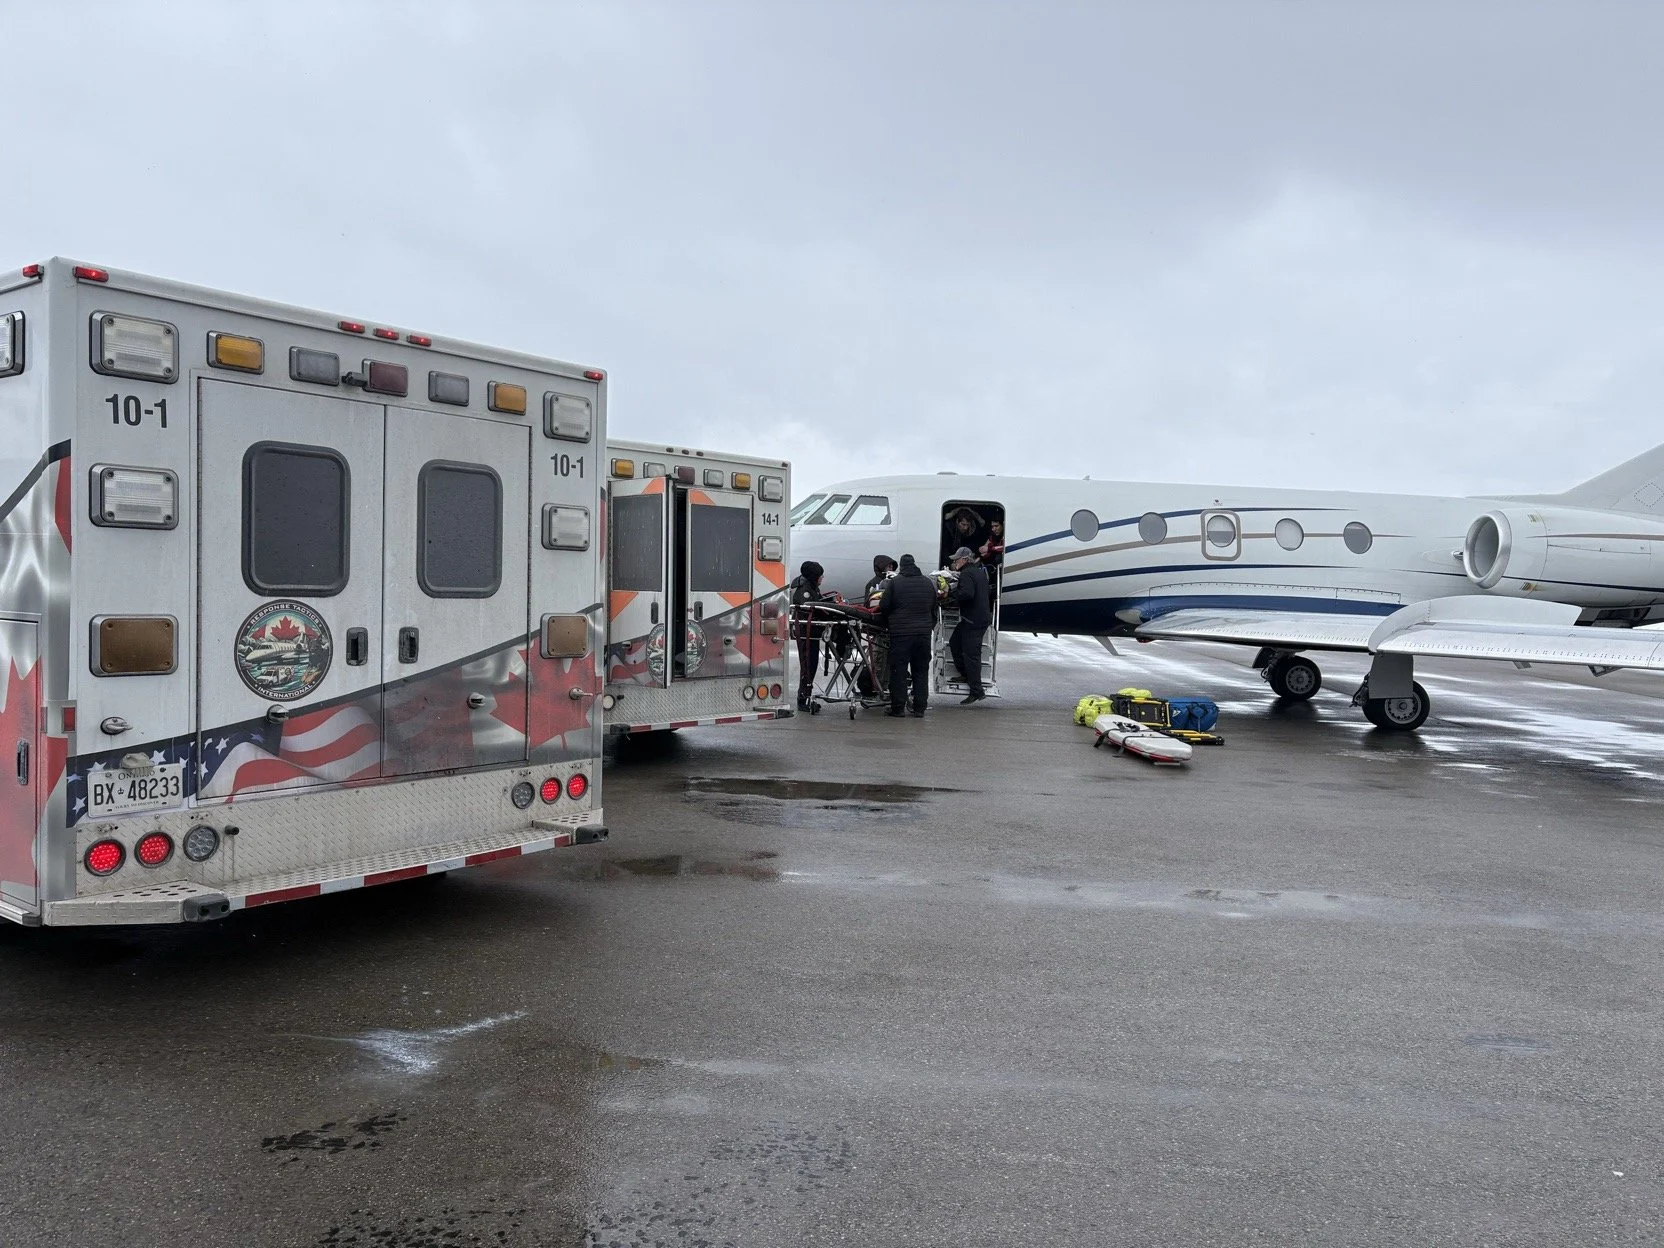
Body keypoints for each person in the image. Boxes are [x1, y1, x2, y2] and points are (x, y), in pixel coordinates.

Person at [877, 553, 938, 717]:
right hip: (923, 635)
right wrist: (928, 627)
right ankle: (919, 709)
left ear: (902, 567)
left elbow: (884, 606)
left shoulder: (895, 583)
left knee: (899, 671)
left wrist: (890, 623)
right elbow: (934, 609)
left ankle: (898, 708)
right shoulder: (928, 583)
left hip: (901, 634)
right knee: (920, 671)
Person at [948, 546, 992, 703]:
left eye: (957, 559)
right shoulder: (979, 572)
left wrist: (951, 597)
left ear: (965, 559)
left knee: (971, 655)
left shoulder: (966, 573)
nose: (955, 562)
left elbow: (967, 594)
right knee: (954, 642)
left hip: (973, 620)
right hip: (977, 618)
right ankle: (966, 675)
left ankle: (976, 691)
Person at [789, 560, 830, 709]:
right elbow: (810, 609)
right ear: (813, 577)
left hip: (812, 634)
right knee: (807, 666)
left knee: (811, 665)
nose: (822, 578)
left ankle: (806, 694)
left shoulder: (812, 588)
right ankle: (803, 698)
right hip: (807, 634)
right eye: (820, 576)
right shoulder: (804, 591)